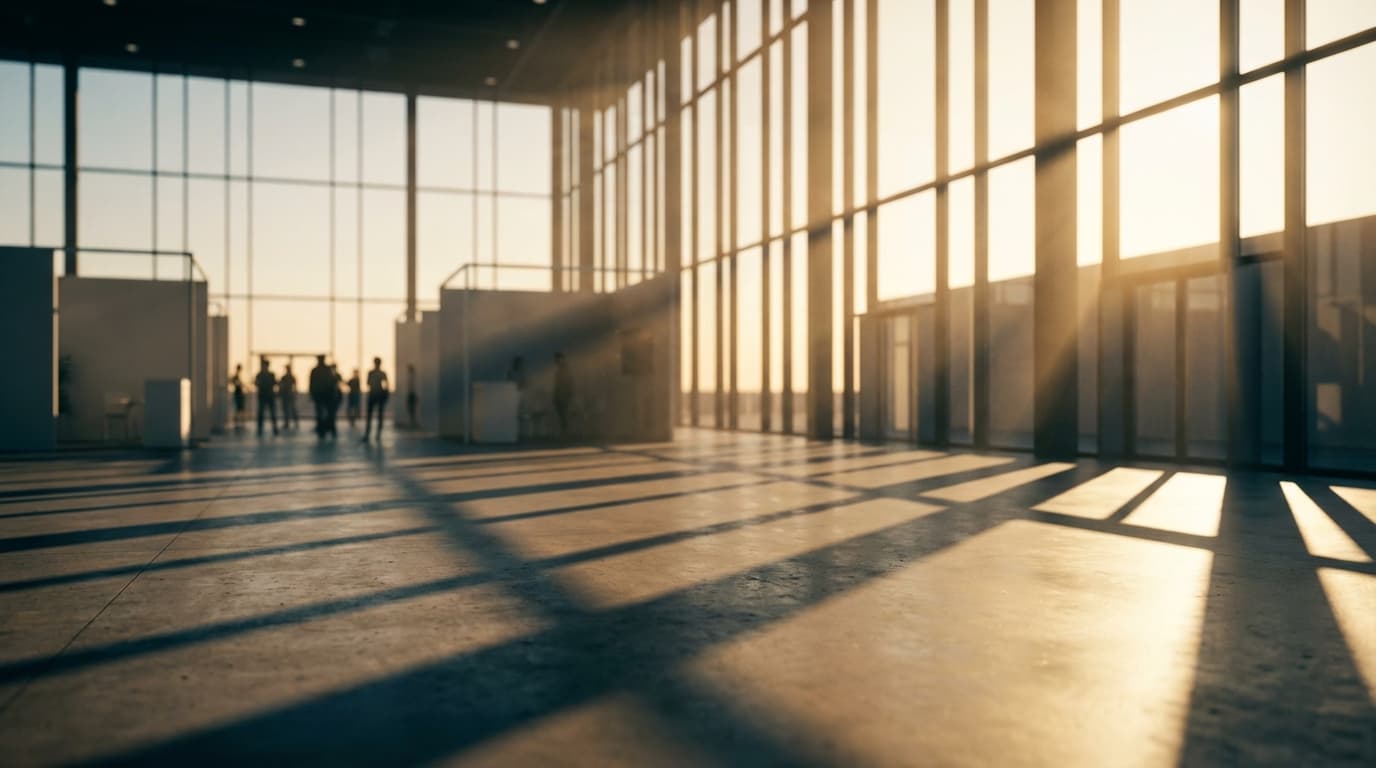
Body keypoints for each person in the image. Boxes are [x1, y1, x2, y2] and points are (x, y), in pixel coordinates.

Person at [362, 357, 390, 442]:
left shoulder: (372, 373)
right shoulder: (380, 373)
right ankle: (375, 434)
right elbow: (386, 385)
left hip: (374, 395)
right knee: (377, 415)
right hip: (377, 395)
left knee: (372, 415)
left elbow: (368, 383)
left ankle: (371, 434)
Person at [308, 355, 336, 439]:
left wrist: (312, 394)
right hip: (326, 395)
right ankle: (329, 429)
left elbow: (311, 383)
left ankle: (323, 430)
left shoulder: (315, 370)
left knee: (321, 413)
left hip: (321, 394)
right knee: (328, 413)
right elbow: (332, 382)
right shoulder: (327, 370)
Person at [254, 357, 279, 437]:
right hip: (264, 396)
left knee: (272, 413)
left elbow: (275, 383)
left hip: (269, 396)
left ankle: (274, 429)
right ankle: (260, 429)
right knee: (262, 413)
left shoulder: (269, 375)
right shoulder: (260, 375)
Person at [553, 352, 573, 439]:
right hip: (560, 395)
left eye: (557, 359)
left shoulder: (564, 369)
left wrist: (568, 393)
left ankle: (565, 434)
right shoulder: (561, 369)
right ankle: (564, 433)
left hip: (563, 395)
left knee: (563, 415)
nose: (556, 361)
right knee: (562, 415)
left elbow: (568, 382)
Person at [279, 364, 299, 430]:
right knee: (287, 410)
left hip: (289, 395)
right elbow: (281, 386)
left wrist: (294, 393)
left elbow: (295, 386)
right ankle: (288, 423)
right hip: (286, 395)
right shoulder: (285, 377)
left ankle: (294, 423)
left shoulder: (290, 377)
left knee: (292, 409)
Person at [230, 364, 246, 431]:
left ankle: (239, 423)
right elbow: (235, 383)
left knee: (240, 409)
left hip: (239, 394)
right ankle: (238, 423)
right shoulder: (236, 376)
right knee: (239, 409)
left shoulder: (238, 376)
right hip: (238, 394)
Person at [406, 364, 419, 428]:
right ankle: (412, 421)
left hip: (412, 394)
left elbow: (413, 387)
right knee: (411, 408)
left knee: (412, 408)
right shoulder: (411, 377)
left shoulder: (412, 377)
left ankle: (413, 422)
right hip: (411, 394)